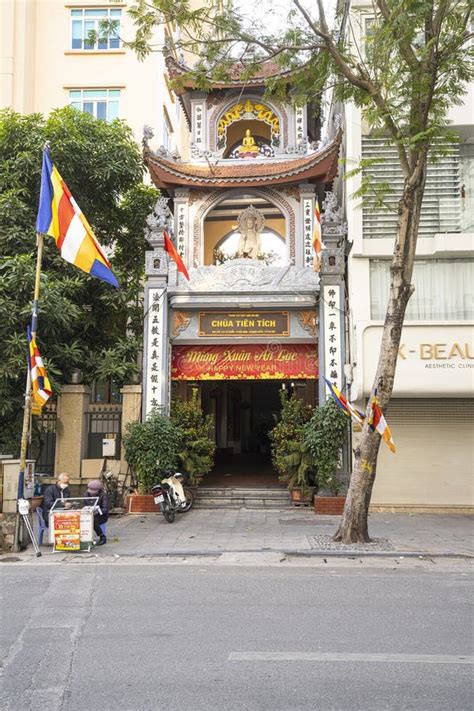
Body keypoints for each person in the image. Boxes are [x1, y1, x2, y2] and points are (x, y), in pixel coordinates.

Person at [84, 479, 109, 546]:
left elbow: (105, 509)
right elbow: (84, 504)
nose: (92, 493)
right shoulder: (86, 494)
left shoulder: (103, 495)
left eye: (94, 491)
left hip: (101, 515)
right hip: (89, 513)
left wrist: (97, 511)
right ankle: (84, 537)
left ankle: (102, 537)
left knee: (93, 520)